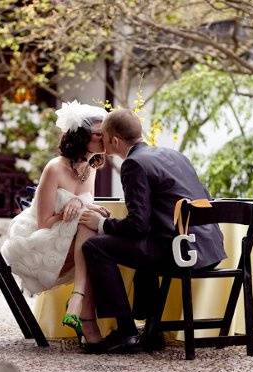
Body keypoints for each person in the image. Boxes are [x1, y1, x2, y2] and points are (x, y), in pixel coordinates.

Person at [79, 108, 227, 353]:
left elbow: (138, 226)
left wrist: (101, 224)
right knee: (147, 247)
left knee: (95, 246)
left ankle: (126, 332)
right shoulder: (174, 155)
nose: (102, 142)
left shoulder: (134, 164)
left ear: (114, 140)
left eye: (103, 137)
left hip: (181, 254)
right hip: (207, 248)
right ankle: (153, 330)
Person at [1, 100, 109, 347]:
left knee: (95, 235)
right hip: (39, 243)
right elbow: (43, 223)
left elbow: (83, 207)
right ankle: (83, 313)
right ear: (81, 136)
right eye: (97, 135)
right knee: (88, 227)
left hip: (71, 243)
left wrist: (85, 206)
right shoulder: (54, 168)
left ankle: (80, 309)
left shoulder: (90, 169)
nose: (103, 140)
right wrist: (73, 210)